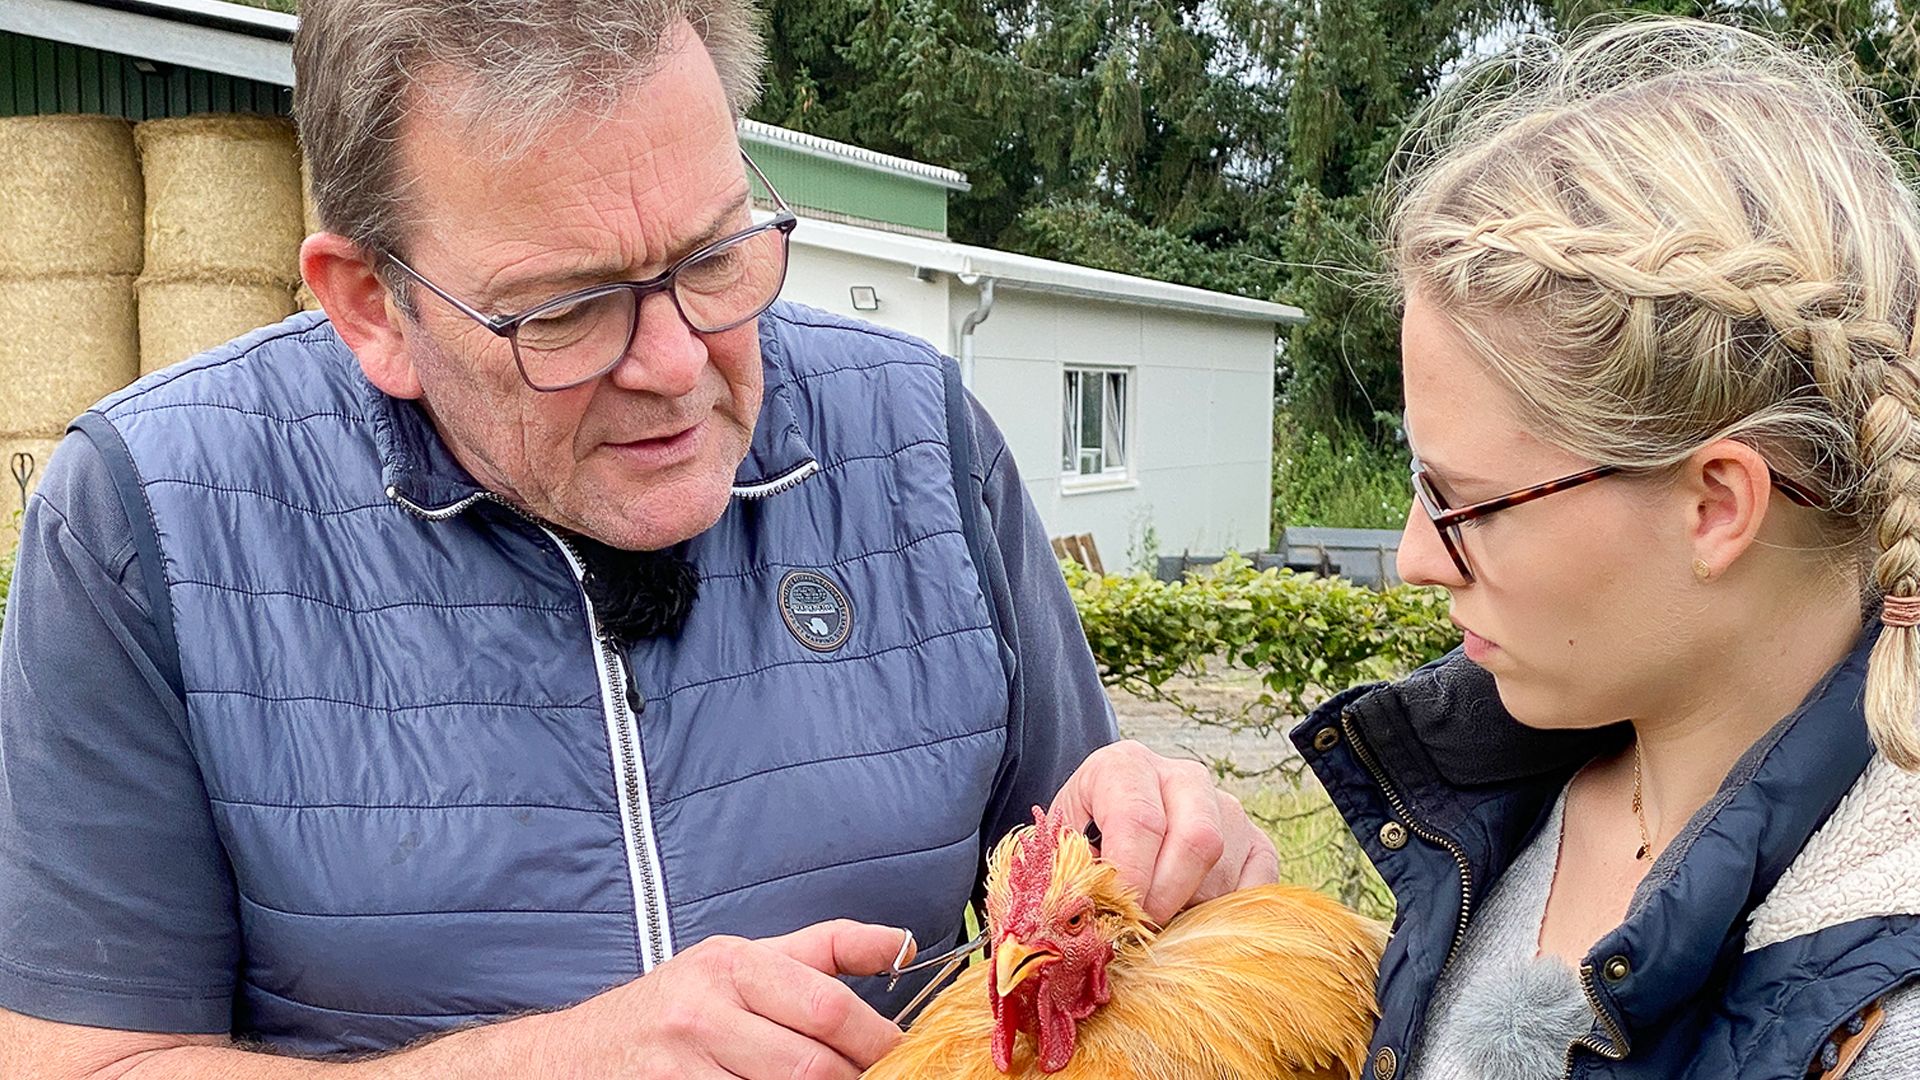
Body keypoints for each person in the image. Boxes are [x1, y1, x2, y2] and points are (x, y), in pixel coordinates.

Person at [0, 1, 1279, 1075]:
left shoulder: (913, 437)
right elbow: (81, 1061)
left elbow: (1082, 887)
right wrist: (547, 1063)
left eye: (715, 255)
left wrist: (1163, 852)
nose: (676, 365)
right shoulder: (151, 518)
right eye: (564, 310)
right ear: (371, 304)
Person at [1293, 18, 1920, 1080]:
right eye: (1419, 488)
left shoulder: (1882, 1019)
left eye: (1468, 503)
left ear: (1717, 505)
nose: (1415, 558)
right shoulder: (1502, 801)